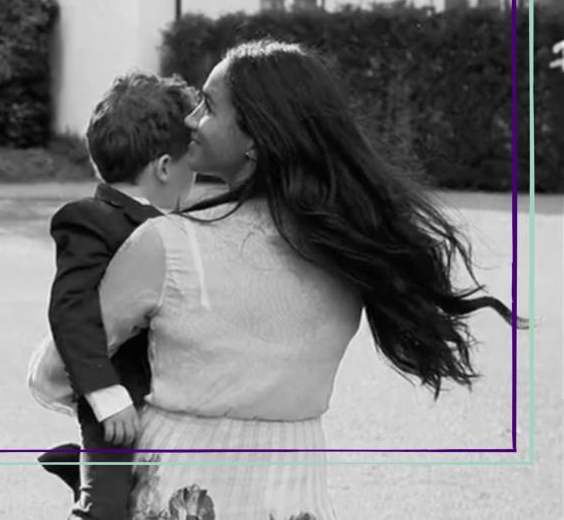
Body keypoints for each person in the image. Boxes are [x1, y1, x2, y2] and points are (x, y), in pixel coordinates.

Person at [29, 40, 522, 520]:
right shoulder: (350, 246)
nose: (189, 119)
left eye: (207, 106)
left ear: (255, 138)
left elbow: (54, 373)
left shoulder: (167, 244)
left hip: (183, 484)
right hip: (296, 490)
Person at [31, 72, 198, 520]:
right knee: (104, 513)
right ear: (164, 168)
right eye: (191, 168)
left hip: (169, 402)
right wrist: (105, 394)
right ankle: (85, 483)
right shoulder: (90, 221)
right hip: (115, 408)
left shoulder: (180, 229)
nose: (194, 180)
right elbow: (70, 313)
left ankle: (78, 471)